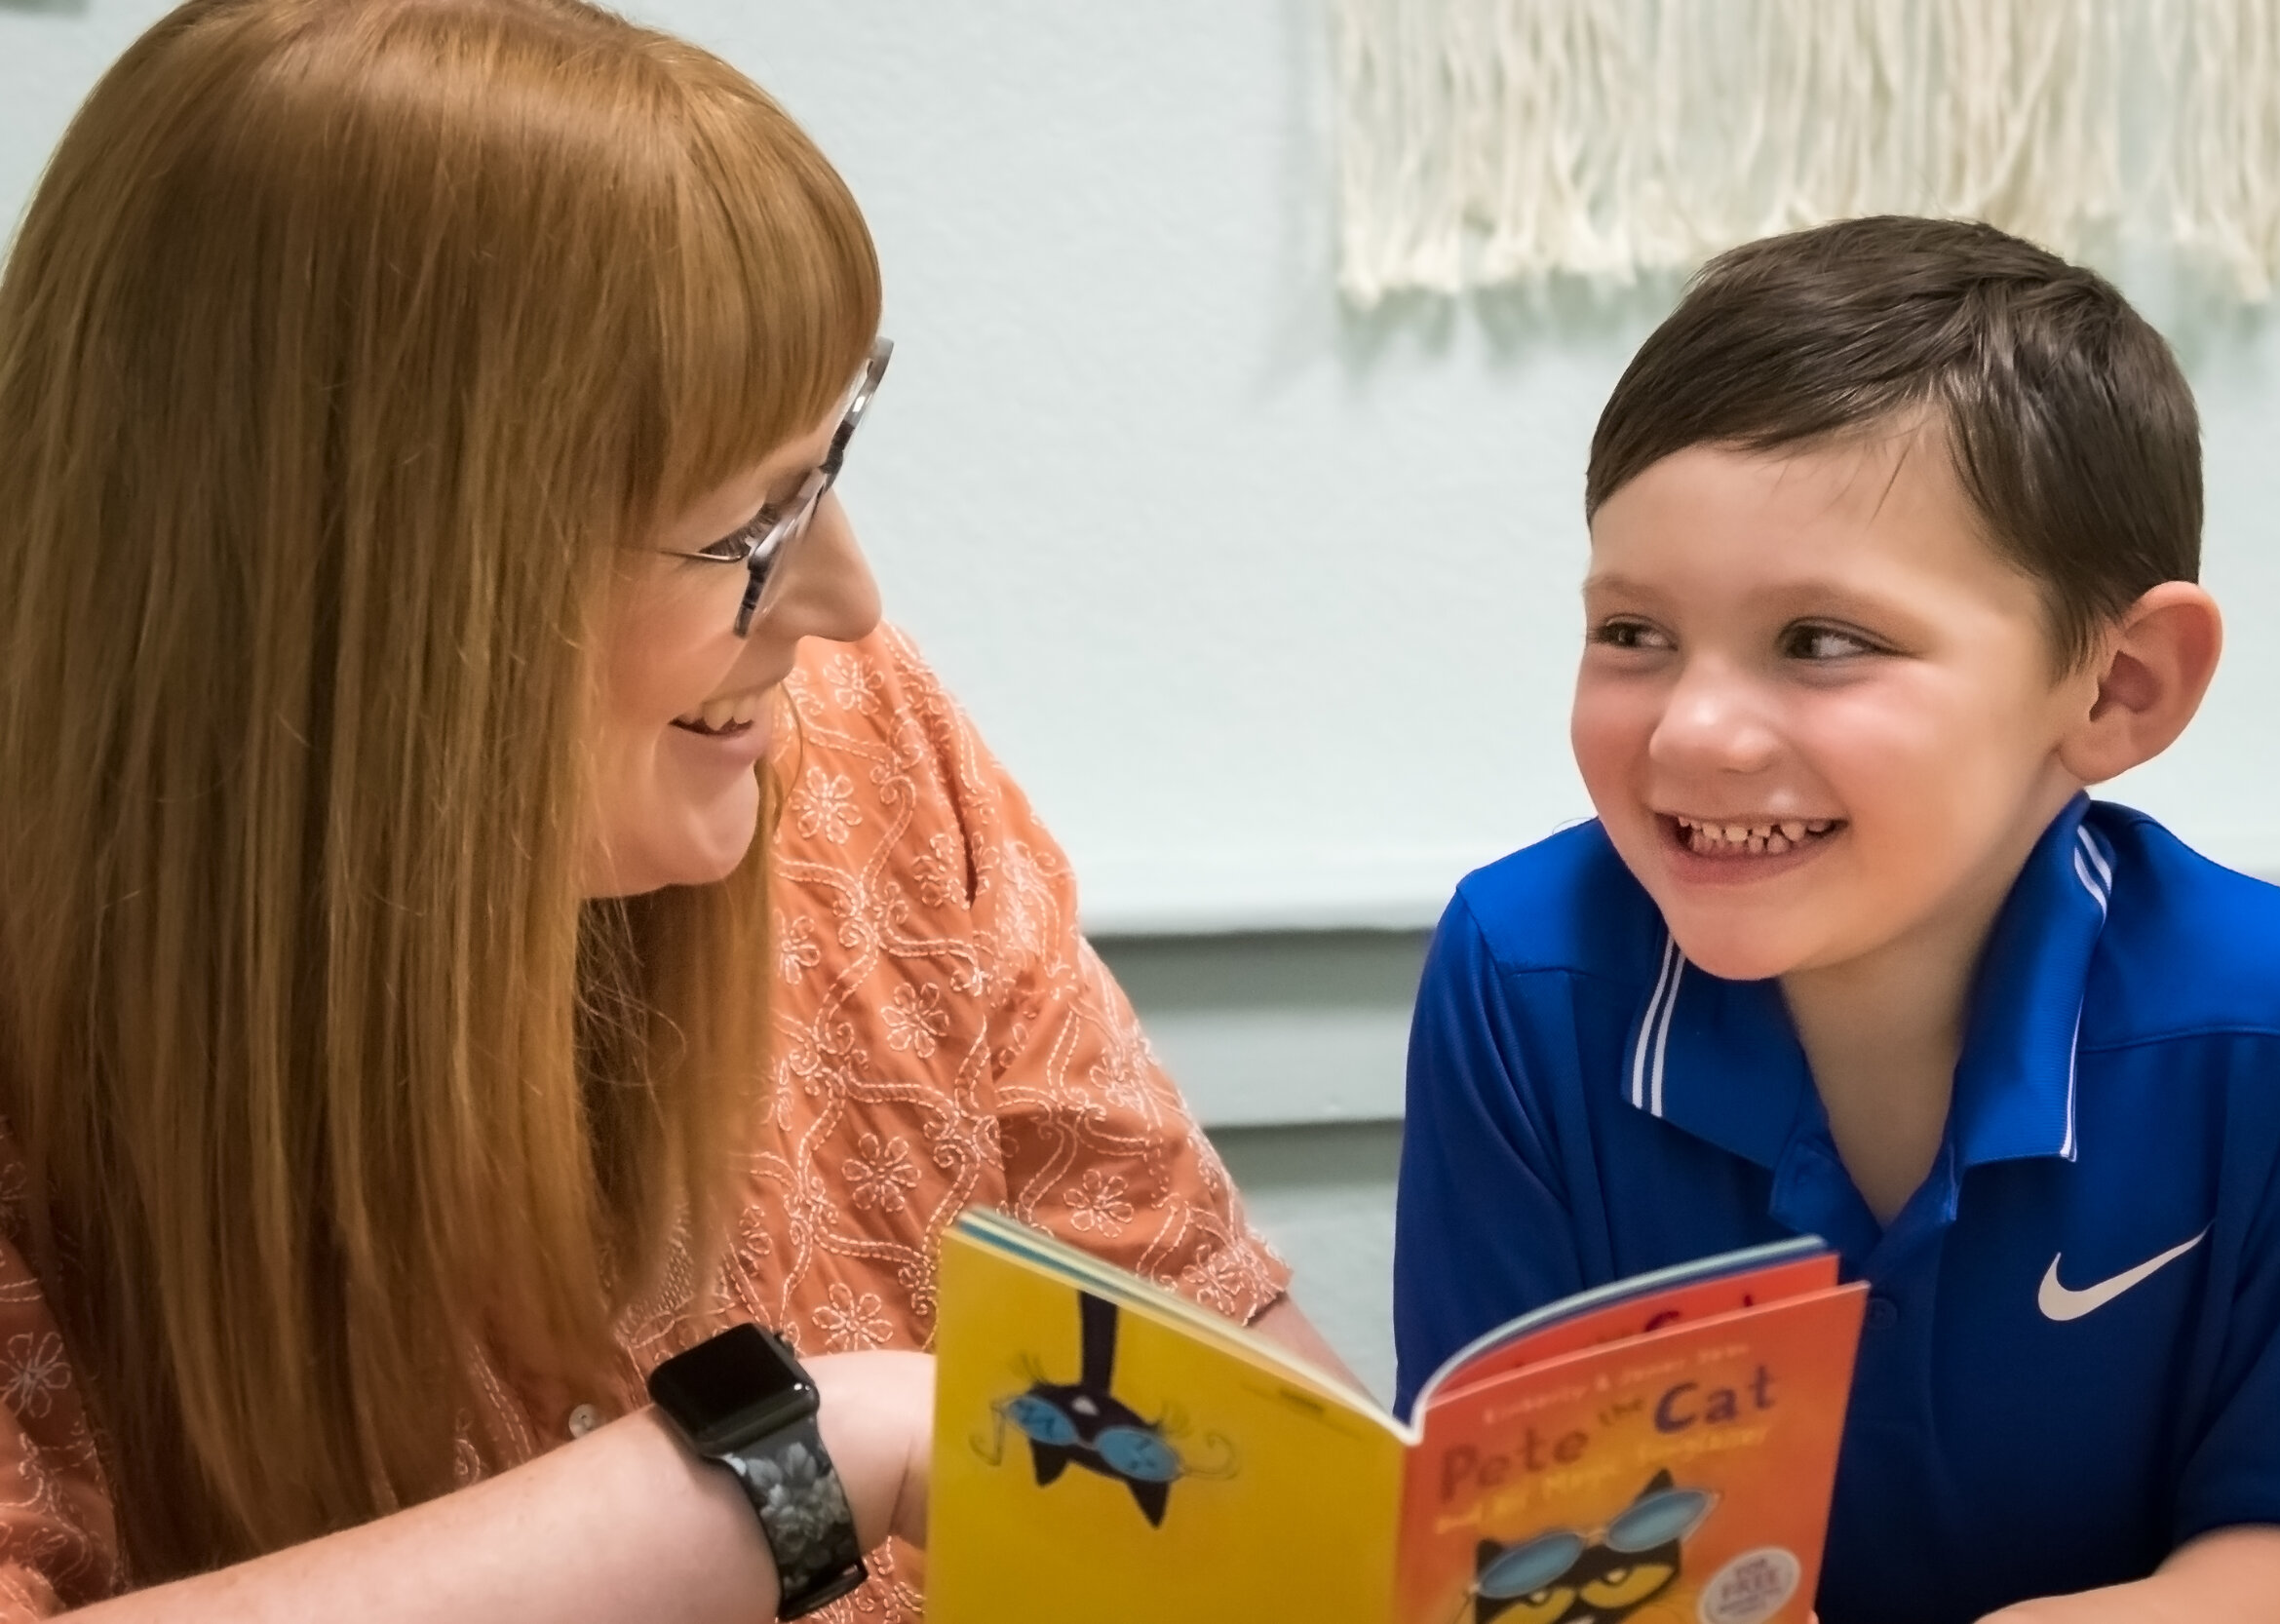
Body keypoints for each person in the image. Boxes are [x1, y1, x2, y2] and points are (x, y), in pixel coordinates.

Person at [0, 1, 1340, 1618]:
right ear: (387, 601)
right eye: (754, 523)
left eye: (827, 465)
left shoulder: (854, 751)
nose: (848, 602)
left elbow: (1213, 1364)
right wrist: (811, 1454)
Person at [1391, 216, 2280, 1624]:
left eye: (1822, 642)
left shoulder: (2266, 1010)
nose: (1692, 732)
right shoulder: (1520, 974)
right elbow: (1512, 1553)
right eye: (1633, 632)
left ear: (2119, 686)